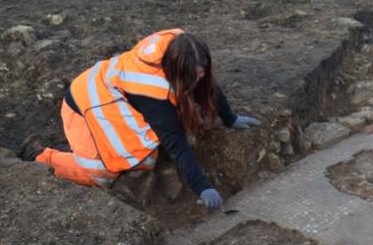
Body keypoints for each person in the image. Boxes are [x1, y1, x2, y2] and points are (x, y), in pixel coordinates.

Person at [17, 28, 259, 209]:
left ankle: (83, 147)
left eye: (201, 72)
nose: (199, 79)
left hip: (109, 95)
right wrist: (202, 186)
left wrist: (229, 117)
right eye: (193, 76)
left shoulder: (183, 49)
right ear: (178, 70)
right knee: (103, 172)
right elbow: (176, 143)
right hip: (84, 105)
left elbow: (206, 85)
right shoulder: (152, 90)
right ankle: (40, 155)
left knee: (149, 148)